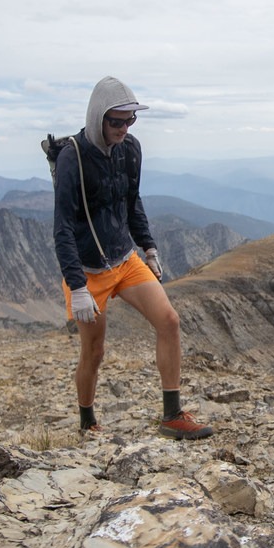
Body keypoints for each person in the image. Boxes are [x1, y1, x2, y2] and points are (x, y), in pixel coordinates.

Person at [51, 76, 214, 440]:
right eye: (116, 121)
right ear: (98, 118)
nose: (124, 129)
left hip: (125, 259)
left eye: (130, 121)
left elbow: (131, 201)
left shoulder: (130, 149)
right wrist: (77, 285)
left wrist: (149, 247)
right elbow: (62, 227)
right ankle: (87, 422)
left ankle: (172, 415)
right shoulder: (71, 158)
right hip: (89, 270)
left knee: (169, 320)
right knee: (94, 351)